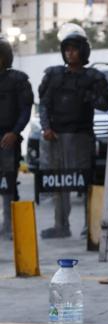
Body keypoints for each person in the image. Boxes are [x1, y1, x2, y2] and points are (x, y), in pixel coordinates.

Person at [38, 24, 108, 239]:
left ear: (83, 51)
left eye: (74, 48)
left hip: (81, 137)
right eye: (67, 49)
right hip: (56, 137)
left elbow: (105, 103)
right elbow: (44, 104)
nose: (70, 53)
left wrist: (89, 96)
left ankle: (90, 226)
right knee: (59, 183)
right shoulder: (54, 75)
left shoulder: (93, 77)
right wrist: (46, 128)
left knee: (85, 182)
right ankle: (61, 225)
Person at [0, 36, 33, 239]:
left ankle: (9, 225)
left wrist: (15, 132)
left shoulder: (18, 80)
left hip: (9, 138)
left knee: (8, 182)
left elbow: (25, 109)